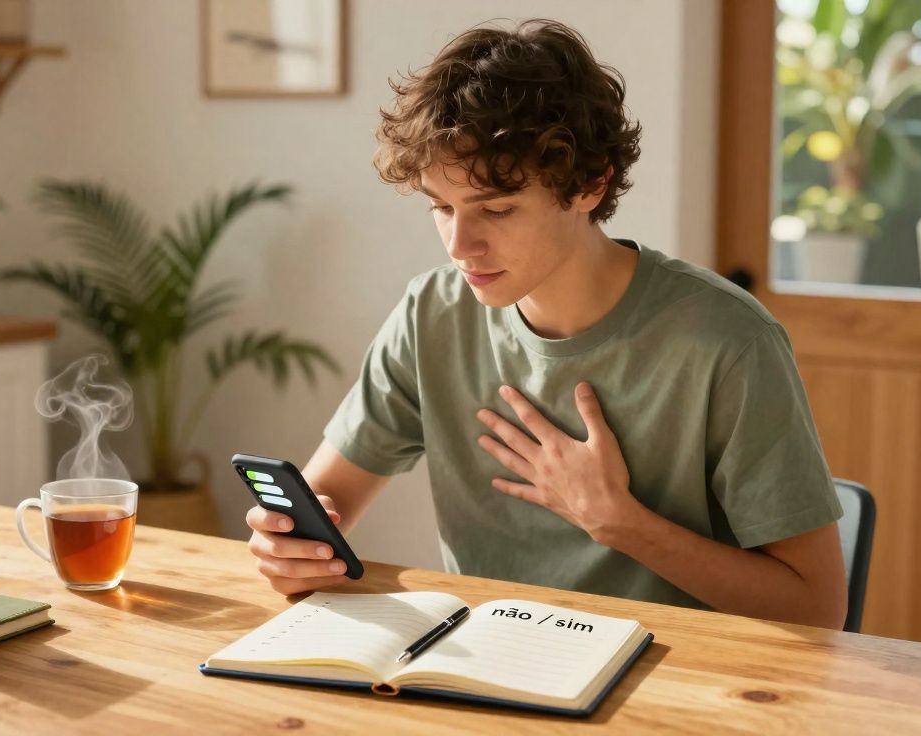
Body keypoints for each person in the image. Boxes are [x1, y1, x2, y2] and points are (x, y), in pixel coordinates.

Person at [246, 19, 849, 628]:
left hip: (672, 683)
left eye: (498, 209)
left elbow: (816, 610)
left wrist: (623, 524)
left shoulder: (728, 340)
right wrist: (289, 549)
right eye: (441, 207)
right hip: (478, 665)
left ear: (590, 183)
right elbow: (326, 502)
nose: (461, 246)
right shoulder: (431, 314)